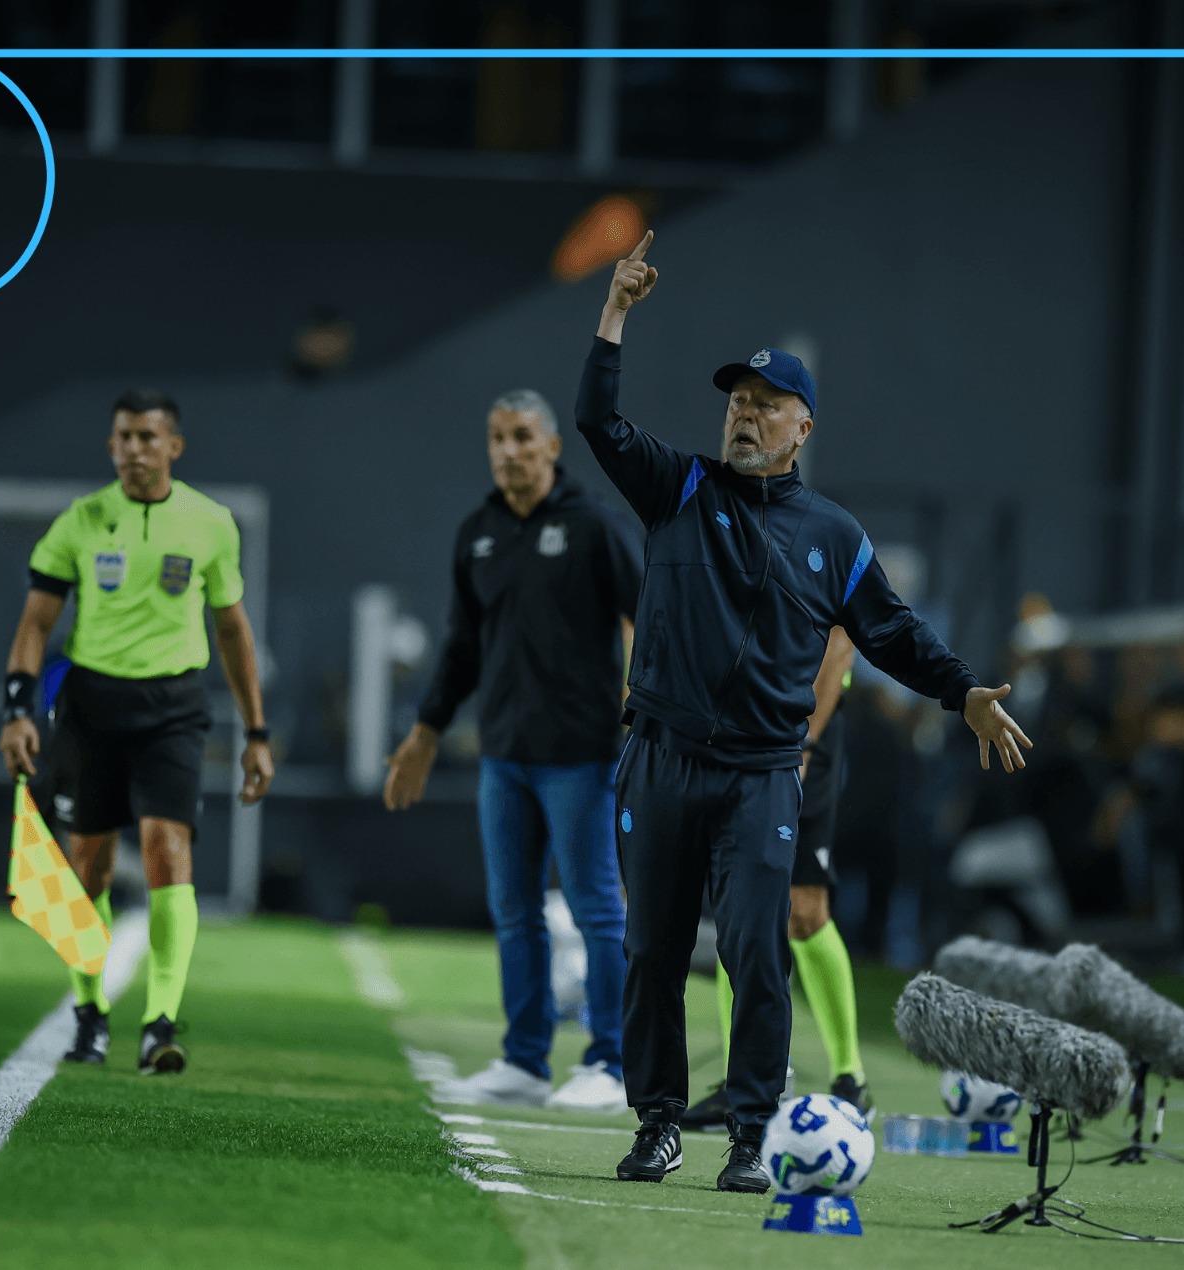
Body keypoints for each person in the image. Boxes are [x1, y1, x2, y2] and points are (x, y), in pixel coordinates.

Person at [576, 232, 1031, 1191]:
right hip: (658, 760)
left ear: (802, 427)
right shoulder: (678, 487)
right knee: (651, 948)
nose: (744, 415)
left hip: (761, 773)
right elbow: (597, 420)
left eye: (765, 404)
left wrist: (964, 693)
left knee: (756, 949)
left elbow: (893, 633)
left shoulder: (835, 535)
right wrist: (614, 313)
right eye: (736, 402)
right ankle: (658, 1122)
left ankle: (752, 1134)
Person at [0, 389, 274, 1073]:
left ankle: (160, 1024)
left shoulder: (211, 524)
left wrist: (257, 731)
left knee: (166, 850)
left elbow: (233, 631)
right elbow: (35, 624)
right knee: (84, 866)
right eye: (123, 437)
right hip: (91, 707)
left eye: (147, 437)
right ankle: (90, 1015)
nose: (133, 449)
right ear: (111, 446)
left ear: (174, 446)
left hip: (173, 708)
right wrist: (17, 711)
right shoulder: (81, 520)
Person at [385, 388, 642, 1114]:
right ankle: (525, 1061)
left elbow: (649, 616)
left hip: (583, 755)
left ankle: (612, 1062)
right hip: (503, 756)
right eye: (498, 438)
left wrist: (643, 713)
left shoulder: (595, 526)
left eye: (524, 437)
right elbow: (461, 646)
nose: (509, 451)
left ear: (552, 447)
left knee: (597, 910)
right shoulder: (478, 533)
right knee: (514, 910)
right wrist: (426, 731)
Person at [684, 626, 871, 1132]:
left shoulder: (831, 568)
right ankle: (741, 1079)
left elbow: (839, 646)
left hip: (807, 729)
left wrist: (805, 745)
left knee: (806, 910)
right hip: (744, 723)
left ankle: (850, 1077)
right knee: (738, 904)